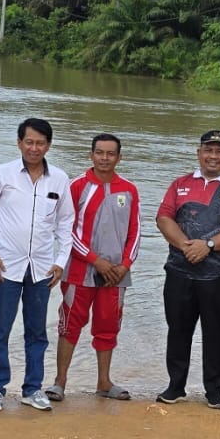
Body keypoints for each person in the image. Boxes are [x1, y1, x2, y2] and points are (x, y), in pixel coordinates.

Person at [0, 118, 73, 412]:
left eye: (40, 143)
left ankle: (32, 389)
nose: (34, 148)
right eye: (29, 142)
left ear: (48, 146)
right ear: (19, 143)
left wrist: (60, 261)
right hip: (5, 266)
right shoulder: (2, 174)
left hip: (42, 269)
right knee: (0, 328)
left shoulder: (58, 179)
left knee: (37, 332)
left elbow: (66, 222)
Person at [155, 129, 220, 410]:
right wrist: (187, 246)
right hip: (179, 271)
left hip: (218, 276)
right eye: (208, 150)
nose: (213, 156)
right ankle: (175, 386)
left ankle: (214, 390)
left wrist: (208, 245)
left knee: (217, 332)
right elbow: (163, 218)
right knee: (178, 330)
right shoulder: (180, 184)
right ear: (199, 153)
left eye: (219, 152)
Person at [46, 133, 141, 402]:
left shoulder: (129, 189)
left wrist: (124, 265)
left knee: (108, 326)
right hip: (80, 271)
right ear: (91, 155)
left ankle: (104, 382)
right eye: (99, 153)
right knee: (69, 324)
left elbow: (135, 232)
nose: (104, 158)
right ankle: (60, 381)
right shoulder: (77, 186)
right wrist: (94, 260)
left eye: (111, 154)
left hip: (115, 276)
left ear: (119, 158)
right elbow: (65, 230)